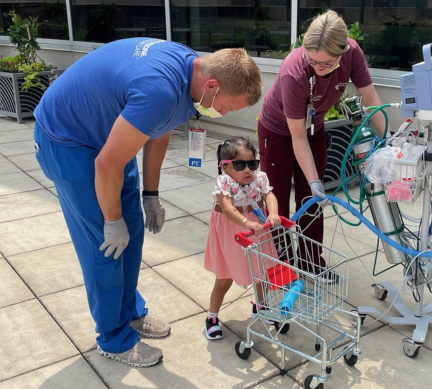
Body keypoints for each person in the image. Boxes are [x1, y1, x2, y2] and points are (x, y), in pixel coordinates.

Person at [33, 38, 262, 367]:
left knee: (133, 233)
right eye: (226, 106)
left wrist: (150, 196)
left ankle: (130, 313)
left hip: (109, 133)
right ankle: (112, 337)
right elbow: (106, 165)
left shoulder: (189, 71)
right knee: (106, 245)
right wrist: (112, 222)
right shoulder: (161, 89)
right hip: (68, 140)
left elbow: (160, 129)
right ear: (212, 85)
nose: (223, 114)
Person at [257, 10, 389, 278]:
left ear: (342, 52)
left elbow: (371, 97)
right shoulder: (292, 74)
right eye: (312, 60)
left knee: (312, 201)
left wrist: (388, 140)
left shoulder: (353, 53)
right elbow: (296, 136)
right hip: (278, 132)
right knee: (277, 201)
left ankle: (310, 263)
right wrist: (314, 179)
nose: (318, 67)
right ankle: (282, 266)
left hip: (313, 128)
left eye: (327, 63)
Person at [204, 137, 280, 340]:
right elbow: (227, 208)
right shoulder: (224, 182)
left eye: (252, 164)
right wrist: (245, 223)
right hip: (232, 228)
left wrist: (273, 213)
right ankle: (212, 316)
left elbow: (269, 195)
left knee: (262, 271)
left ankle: (261, 306)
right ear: (225, 167)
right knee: (224, 276)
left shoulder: (259, 178)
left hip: (257, 225)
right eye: (239, 164)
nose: (248, 170)